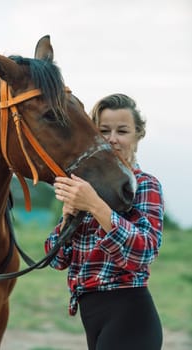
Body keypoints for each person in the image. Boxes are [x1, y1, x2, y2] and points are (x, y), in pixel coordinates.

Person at [45, 93, 164, 350]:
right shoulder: (86, 188)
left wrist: (96, 206)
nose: (112, 138)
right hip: (92, 317)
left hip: (130, 317)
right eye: (103, 130)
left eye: (122, 131)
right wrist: (68, 216)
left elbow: (144, 253)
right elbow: (56, 260)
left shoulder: (145, 185)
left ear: (137, 135)